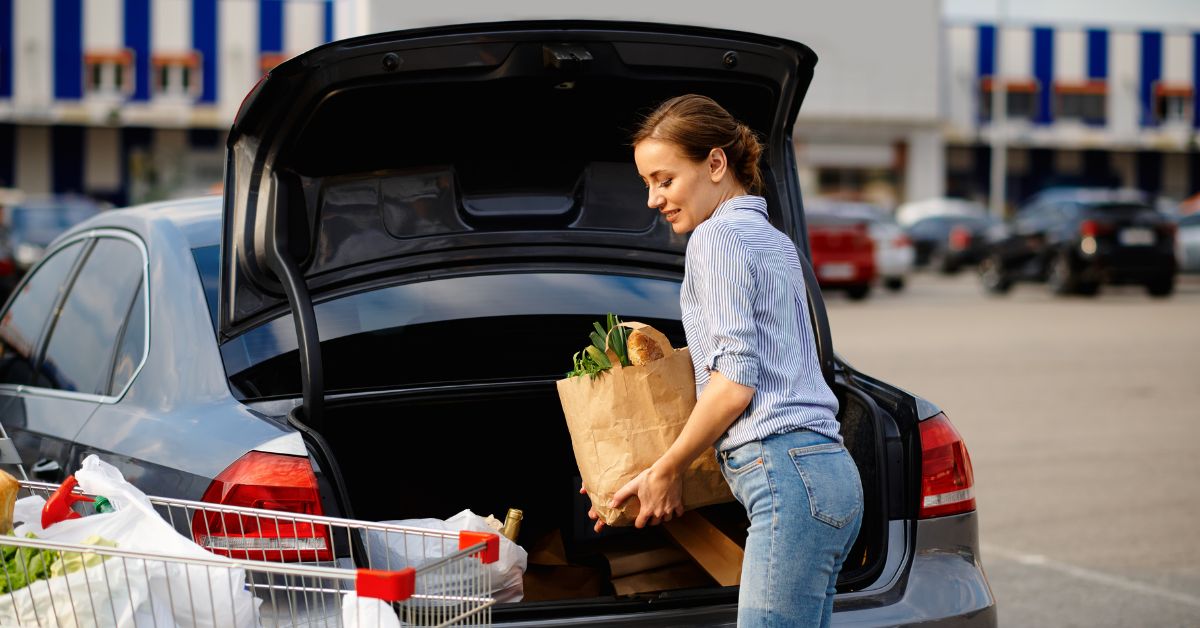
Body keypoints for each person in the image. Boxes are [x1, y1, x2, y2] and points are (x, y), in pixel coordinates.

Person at [590, 94, 864, 627]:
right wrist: (636, 466)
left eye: (664, 180)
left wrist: (666, 470)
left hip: (788, 477)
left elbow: (735, 384)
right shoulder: (773, 241)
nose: (652, 199)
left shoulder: (715, 239)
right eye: (647, 183)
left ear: (716, 163)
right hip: (827, 475)